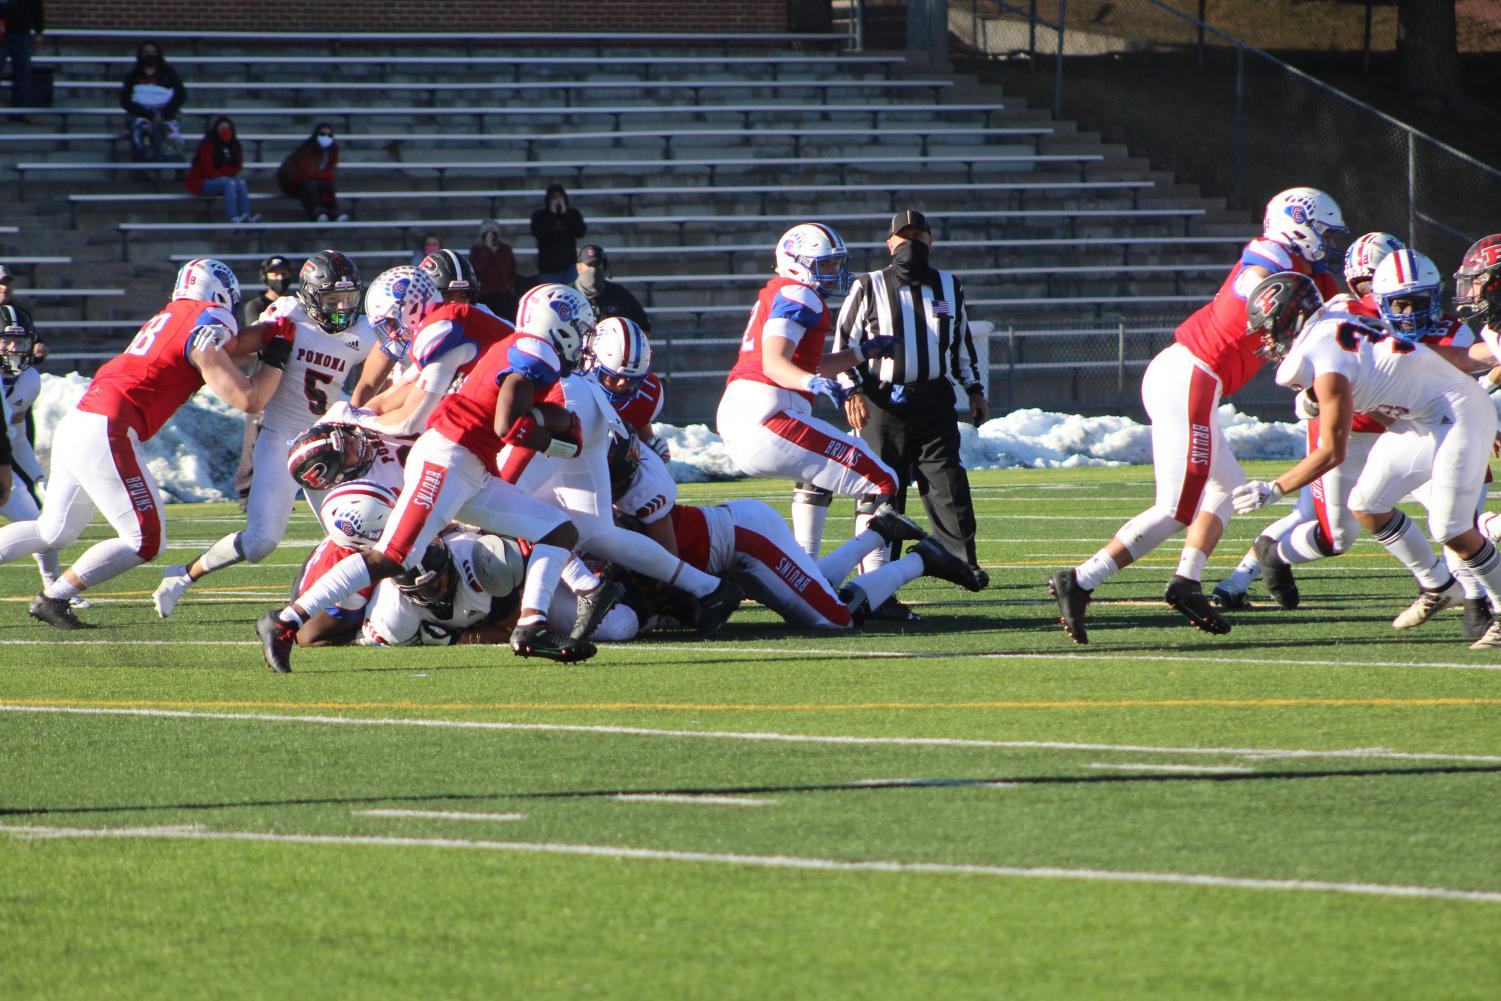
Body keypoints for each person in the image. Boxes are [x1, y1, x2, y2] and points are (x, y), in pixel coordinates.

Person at [1046, 186, 1345, 644]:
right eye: (1320, 232)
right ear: (1297, 224)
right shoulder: (1271, 255)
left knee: (1226, 488)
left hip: (1195, 378)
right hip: (1191, 374)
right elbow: (1256, 276)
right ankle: (1081, 579)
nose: (1324, 242)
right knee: (1176, 508)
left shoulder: (1305, 268)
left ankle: (1186, 582)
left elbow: (1334, 310)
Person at [254, 274, 593, 670]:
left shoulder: (520, 345)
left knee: (558, 532)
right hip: (447, 459)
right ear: (560, 324)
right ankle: (284, 621)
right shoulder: (536, 349)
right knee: (391, 557)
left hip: (471, 469)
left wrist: (550, 427)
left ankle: (531, 626)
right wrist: (548, 431)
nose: (582, 339)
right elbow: (506, 424)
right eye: (580, 330)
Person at [0, 259, 293, 628]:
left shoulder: (175, 316)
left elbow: (232, 347)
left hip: (82, 420)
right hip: (109, 426)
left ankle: (54, 597)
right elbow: (250, 399)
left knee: (53, 530)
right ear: (220, 293)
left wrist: (274, 331)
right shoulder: (208, 316)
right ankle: (53, 598)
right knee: (146, 540)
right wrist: (278, 355)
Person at [1236, 262, 1501, 652]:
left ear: (1291, 319)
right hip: (1424, 416)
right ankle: (1438, 585)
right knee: (1366, 504)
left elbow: (1331, 450)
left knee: (1452, 527)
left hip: (1456, 411)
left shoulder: (1323, 353)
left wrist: (1274, 488)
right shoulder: (1332, 328)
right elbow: (1382, 393)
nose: (1269, 340)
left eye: (1272, 328)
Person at [153, 251, 376, 617]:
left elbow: (389, 366)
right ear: (311, 295)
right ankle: (182, 576)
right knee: (260, 543)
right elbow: (236, 349)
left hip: (327, 444)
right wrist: (219, 336)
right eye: (332, 299)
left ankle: (354, 610)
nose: (341, 308)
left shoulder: (364, 331)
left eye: (348, 299)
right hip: (281, 440)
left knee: (354, 530)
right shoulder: (289, 314)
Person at [715, 223, 910, 565]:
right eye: (826, 264)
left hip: (749, 411)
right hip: (768, 414)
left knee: (817, 477)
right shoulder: (797, 293)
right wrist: (808, 383)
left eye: (835, 263)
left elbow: (807, 362)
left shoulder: (783, 291)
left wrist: (863, 353)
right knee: (882, 481)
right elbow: (776, 364)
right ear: (796, 262)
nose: (834, 271)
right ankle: (875, 584)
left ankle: (807, 569)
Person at [834, 210, 990, 619]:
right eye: (903, 237)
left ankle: (961, 561)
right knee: (884, 485)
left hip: (935, 398)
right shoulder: (868, 286)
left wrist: (974, 389)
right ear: (889, 244)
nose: (910, 244)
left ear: (931, 240)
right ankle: (877, 572)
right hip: (882, 401)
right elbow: (844, 342)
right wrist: (850, 389)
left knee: (948, 481)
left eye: (918, 235)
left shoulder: (948, 285)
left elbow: (960, 346)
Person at [0, 305, 72, 605]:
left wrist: (39, 477)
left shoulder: (29, 380)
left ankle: (53, 590)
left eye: (22, 341)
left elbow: (15, 436)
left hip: (2, 465)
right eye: (7, 340)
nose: (15, 348)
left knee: (43, 527)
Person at [231, 256, 296, 511]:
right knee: (254, 439)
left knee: (282, 440)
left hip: (287, 377)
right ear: (265, 276)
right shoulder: (256, 305)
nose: (279, 278)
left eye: (283, 273)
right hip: (263, 375)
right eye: (274, 273)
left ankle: (279, 491)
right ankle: (246, 493)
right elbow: (260, 339)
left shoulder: (296, 305)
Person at [120, 41, 185, 162]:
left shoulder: (169, 73)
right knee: (141, 128)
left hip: (166, 113)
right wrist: (148, 114)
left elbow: (181, 95)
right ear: (140, 55)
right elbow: (125, 101)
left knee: (170, 130)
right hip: (140, 114)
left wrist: (164, 113)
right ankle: (142, 166)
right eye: (146, 52)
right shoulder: (132, 75)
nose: (150, 55)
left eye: (153, 52)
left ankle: (177, 164)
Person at [185, 116, 255, 224]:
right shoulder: (208, 144)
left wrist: (224, 172)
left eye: (227, 128)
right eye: (222, 128)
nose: (225, 131)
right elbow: (208, 170)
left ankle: (246, 215)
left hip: (223, 178)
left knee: (241, 182)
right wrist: (226, 173)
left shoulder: (235, 144)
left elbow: (238, 165)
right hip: (203, 181)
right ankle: (233, 217)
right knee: (229, 183)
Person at [277, 123, 346, 223]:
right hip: (292, 180)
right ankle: (317, 214)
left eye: (329, 135)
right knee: (311, 185)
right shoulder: (308, 149)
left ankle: (333, 214)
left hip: (313, 179)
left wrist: (326, 176)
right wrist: (326, 176)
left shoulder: (333, 150)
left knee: (327, 185)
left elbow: (329, 170)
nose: (326, 137)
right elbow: (305, 173)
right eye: (322, 134)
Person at [574, 244, 650, 332]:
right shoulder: (566, 294)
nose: (593, 269)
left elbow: (644, 327)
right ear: (578, 267)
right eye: (589, 265)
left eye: (598, 264)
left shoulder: (621, 295)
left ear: (604, 266)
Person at [529, 183, 586, 284]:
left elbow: (580, 232)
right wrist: (551, 214)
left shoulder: (573, 214)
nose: (557, 201)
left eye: (560, 197)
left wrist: (565, 214)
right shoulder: (539, 215)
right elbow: (538, 233)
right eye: (554, 198)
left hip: (569, 267)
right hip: (548, 269)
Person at [1, 0, 44, 120]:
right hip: (2, 33)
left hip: (23, 34)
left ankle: (19, 112)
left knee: (23, 75)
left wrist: (39, 30)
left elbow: (36, 7)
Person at [470, 219, 517, 319]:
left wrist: (508, 285)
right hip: (484, 294)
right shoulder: (476, 250)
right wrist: (487, 249)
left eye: (494, 230)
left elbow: (511, 270)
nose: (492, 234)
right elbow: (476, 269)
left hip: (503, 294)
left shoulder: (505, 249)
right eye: (488, 230)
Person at [0, 266, 45, 363]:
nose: (5, 287)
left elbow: (34, 344)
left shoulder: (20, 314)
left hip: (11, 372)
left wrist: (39, 349)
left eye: (8, 283)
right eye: (1, 283)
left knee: (30, 375)